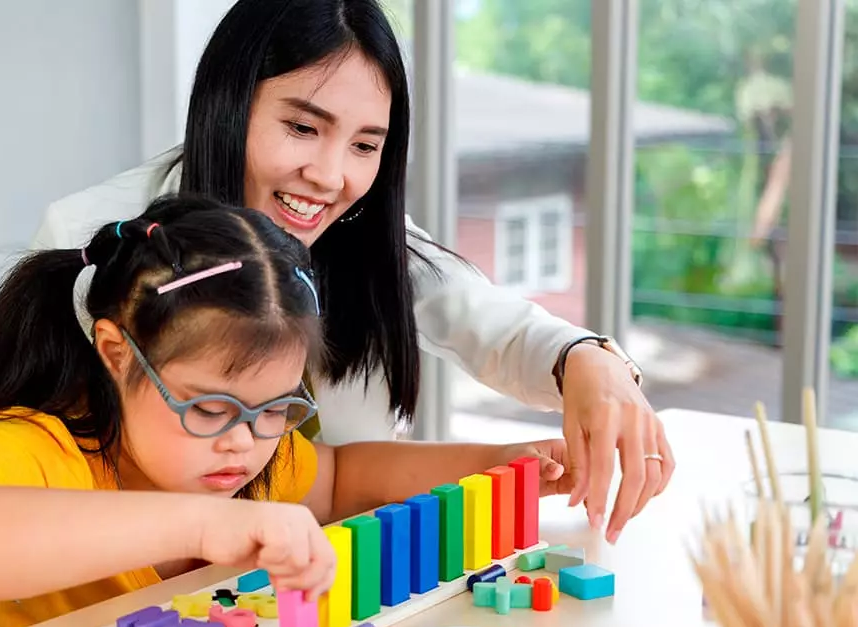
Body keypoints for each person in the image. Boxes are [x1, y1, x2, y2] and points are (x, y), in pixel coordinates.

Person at [33, 0, 673, 546]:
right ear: (227, 106)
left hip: (328, 586)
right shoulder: (95, 243)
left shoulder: (360, 235)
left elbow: (497, 332)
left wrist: (591, 362)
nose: (332, 176)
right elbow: (21, 494)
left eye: (366, 145)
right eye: (303, 127)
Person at [0, 196, 570, 627]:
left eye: (276, 409)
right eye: (206, 406)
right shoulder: (37, 444)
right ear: (117, 355)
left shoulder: (242, 446)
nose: (244, 441)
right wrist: (211, 522)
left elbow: (341, 477)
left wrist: (506, 461)